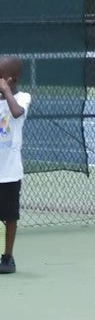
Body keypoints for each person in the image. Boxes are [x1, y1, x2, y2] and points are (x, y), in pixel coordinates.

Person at [0, 56, 29, 274]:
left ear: (13, 79)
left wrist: (6, 93)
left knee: (10, 216)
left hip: (9, 174)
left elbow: (17, 113)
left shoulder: (22, 98)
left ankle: (8, 258)